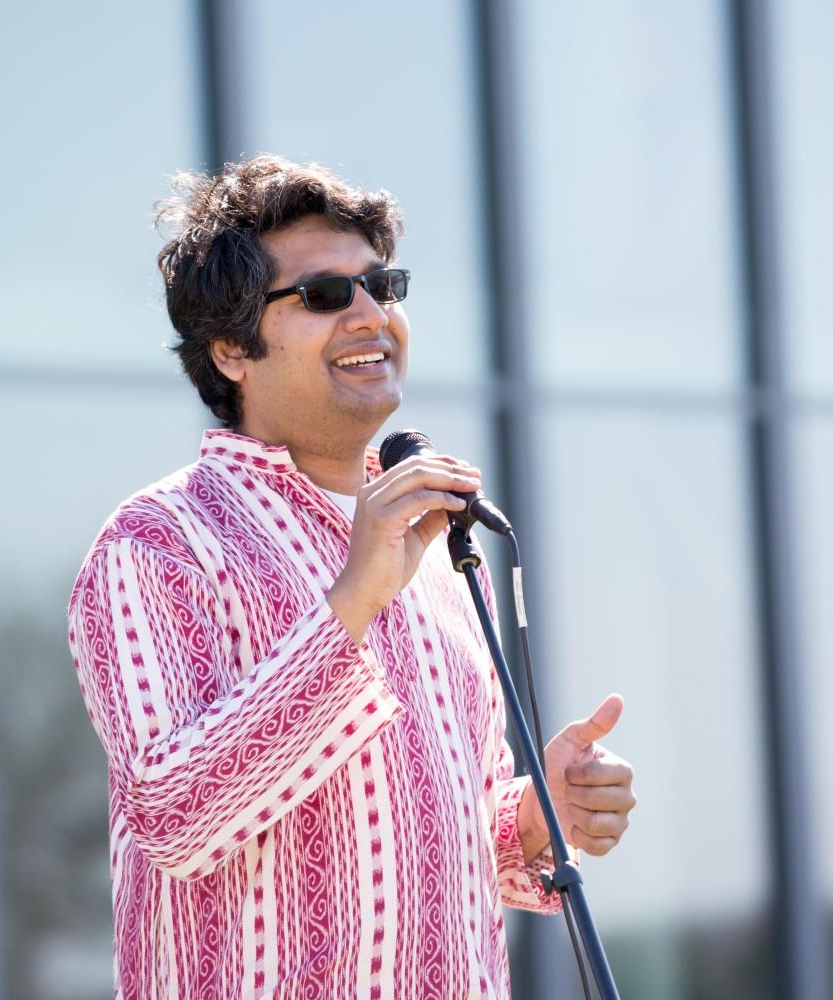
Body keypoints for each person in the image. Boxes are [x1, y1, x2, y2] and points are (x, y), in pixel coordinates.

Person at [67, 154, 636, 1000]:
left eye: (383, 286)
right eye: (326, 296)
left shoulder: (438, 547)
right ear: (230, 349)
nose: (371, 314)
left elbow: (437, 848)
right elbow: (178, 821)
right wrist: (354, 600)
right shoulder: (157, 542)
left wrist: (533, 812)